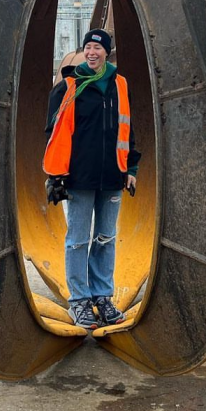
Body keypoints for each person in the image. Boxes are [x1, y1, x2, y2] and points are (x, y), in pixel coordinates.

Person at [43, 28, 140, 330]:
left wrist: (131, 170)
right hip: (79, 178)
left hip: (112, 176)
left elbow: (127, 129)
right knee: (77, 241)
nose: (92, 52)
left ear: (107, 53)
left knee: (105, 239)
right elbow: (54, 133)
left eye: (97, 48)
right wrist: (57, 175)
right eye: (88, 47)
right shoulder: (69, 86)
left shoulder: (120, 85)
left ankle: (101, 297)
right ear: (84, 51)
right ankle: (79, 301)